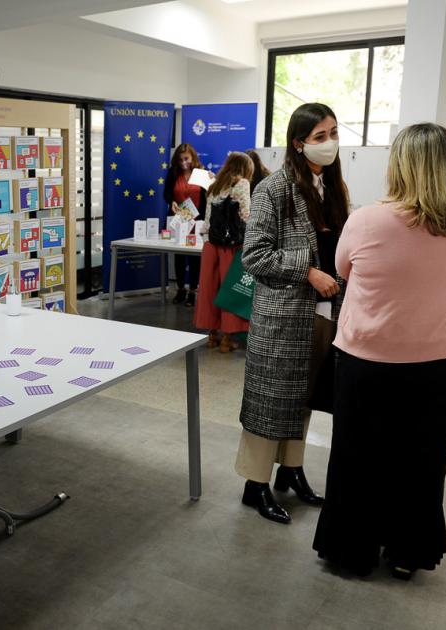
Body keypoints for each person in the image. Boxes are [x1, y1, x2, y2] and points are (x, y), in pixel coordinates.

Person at [313, 123, 446, 579]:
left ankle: (352, 552)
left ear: (398, 164)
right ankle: (409, 552)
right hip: (441, 365)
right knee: (423, 462)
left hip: (368, 362)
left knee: (357, 459)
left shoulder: (368, 219)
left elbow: (341, 267)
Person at [235, 103, 349, 524]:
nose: (330, 143)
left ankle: (292, 471)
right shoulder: (274, 189)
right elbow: (255, 255)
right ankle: (255, 484)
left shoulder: (333, 187)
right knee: (270, 400)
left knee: (305, 397)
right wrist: (308, 270)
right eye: (320, 136)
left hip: (325, 313)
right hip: (284, 315)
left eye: (334, 132)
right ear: (298, 143)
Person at [194, 152, 253, 352]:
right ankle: (227, 339)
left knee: (210, 289)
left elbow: (207, 219)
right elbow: (246, 214)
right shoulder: (243, 183)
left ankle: (212, 335)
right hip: (231, 245)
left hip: (210, 244)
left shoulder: (214, 186)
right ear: (245, 168)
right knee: (230, 290)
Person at [163, 143, 206, 306]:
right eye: (180, 159)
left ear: (193, 157)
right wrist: (172, 202)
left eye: (186, 158)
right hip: (178, 220)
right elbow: (166, 194)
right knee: (179, 256)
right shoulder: (173, 173)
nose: (183, 163)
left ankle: (193, 292)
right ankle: (181, 289)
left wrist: (212, 179)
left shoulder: (201, 173)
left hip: (196, 221)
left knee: (195, 258)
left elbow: (208, 197)